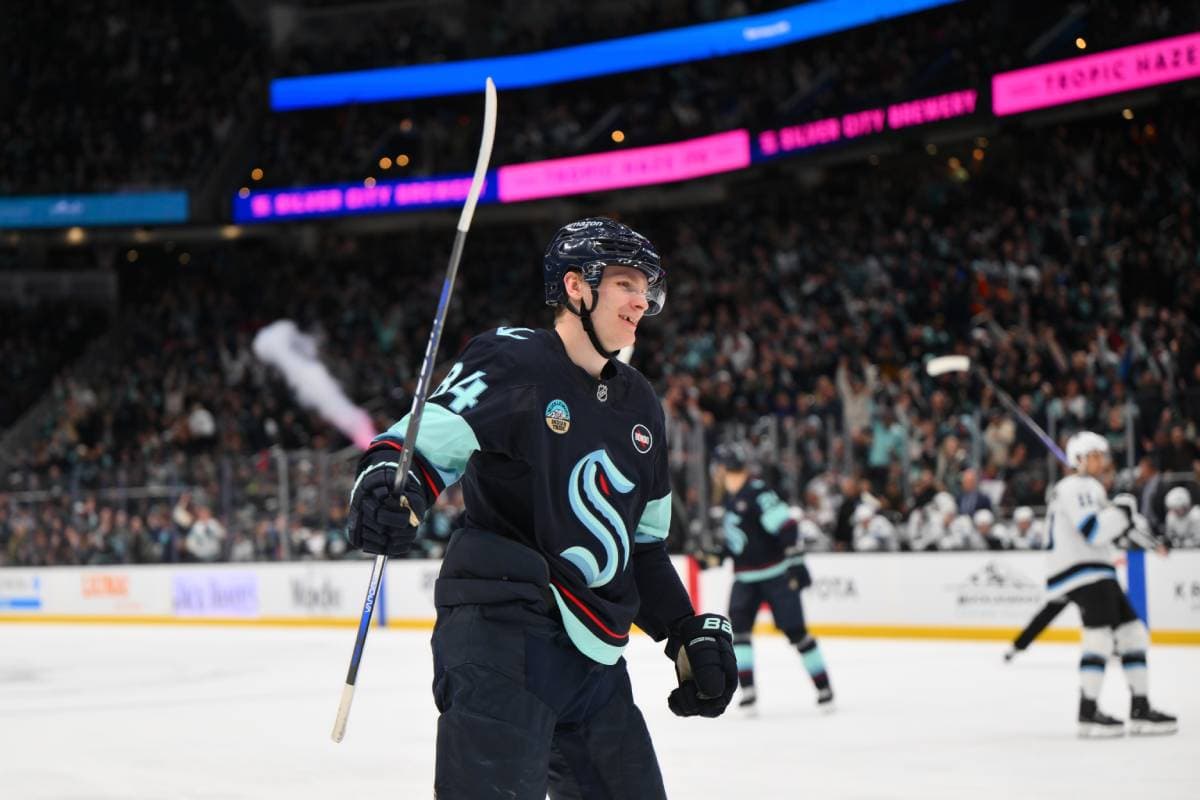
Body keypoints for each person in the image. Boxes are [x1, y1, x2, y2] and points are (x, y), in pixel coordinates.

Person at [344, 217, 737, 799]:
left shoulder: (640, 404)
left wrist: (683, 631)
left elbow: (643, 549)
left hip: (595, 657)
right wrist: (385, 483)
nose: (641, 300)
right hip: (501, 637)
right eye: (625, 283)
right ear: (576, 286)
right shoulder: (514, 359)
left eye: (646, 287)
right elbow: (417, 447)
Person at [1045, 431, 1176, 737]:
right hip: (1082, 571)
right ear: (1078, 458)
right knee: (1099, 638)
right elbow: (1094, 531)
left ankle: (1140, 708)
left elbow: (1113, 527)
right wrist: (1121, 513)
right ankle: (1088, 713)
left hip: (1096, 571)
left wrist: (1145, 536)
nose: (1100, 461)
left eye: (1100, 455)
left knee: (1132, 634)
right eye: (1093, 455)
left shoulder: (1087, 487)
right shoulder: (1078, 486)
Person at [707, 441, 834, 713]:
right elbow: (740, 539)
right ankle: (748, 691)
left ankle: (823, 687)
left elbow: (787, 526)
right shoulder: (731, 496)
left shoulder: (756, 492)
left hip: (776, 575)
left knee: (797, 633)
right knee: (739, 632)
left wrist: (796, 563)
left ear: (724, 467)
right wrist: (719, 555)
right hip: (745, 578)